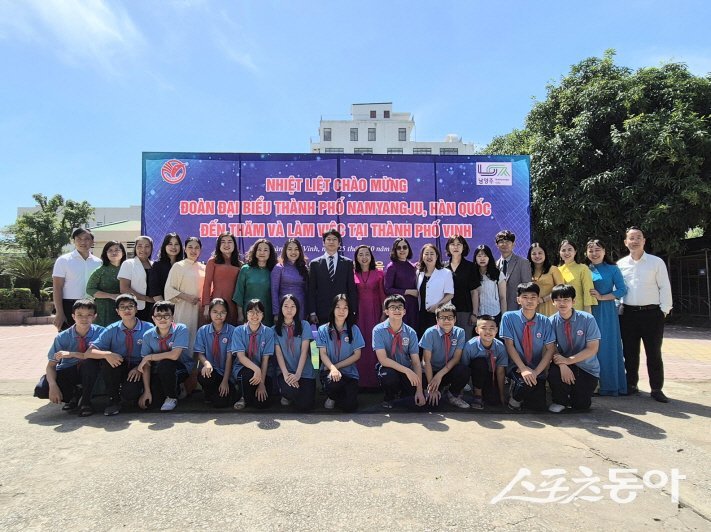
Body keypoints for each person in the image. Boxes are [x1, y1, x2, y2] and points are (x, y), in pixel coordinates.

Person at [617, 226, 673, 403]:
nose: (635, 241)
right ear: (626, 242)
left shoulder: (656, 262)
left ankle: (656, 388)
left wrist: (664, 310)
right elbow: (617, 289)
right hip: (628, 314)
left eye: (638, 237)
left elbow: (664, 286)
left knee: (654, 353)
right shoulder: (620, 264)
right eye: (631, 238)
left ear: (644, 241)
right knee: (630, 352)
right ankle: (631, 385)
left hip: (652, 314)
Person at [85, 294, 153, 416]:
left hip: (141, 367)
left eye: (130, 306)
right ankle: (113, 400)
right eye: (122, 307)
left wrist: (138, 368)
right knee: (106, 361)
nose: (127, 310)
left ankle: (137, 392)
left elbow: (153, 354)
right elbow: (89, 352)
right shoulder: (112, 329)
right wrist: (107, 354)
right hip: (119, 365)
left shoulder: (148, 328)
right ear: (117, 311)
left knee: (130, 394)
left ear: (136, 309)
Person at [33, 299, 104, 416]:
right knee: (42, 388)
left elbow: (97, 354)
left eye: (89, 315)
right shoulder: (62, 337)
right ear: (73, 316)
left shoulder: (102, 333)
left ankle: (86, 402)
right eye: (79, 315)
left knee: (89, 362)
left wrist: (71, 354)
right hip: (69, 370)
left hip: (92, 371)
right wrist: (52, 385)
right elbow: (51, 366)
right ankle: (73, 395)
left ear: (95, 316)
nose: (84, 319)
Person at [500, 282, 556, 411]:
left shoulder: (545, 321)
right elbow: (509, 345)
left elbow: (550, 349)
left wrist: (536, 372)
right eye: (525, 297)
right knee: (523, 385)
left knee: (538, 406)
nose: (529, 301)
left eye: (533, 297)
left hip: (537, 368)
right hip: (515, 365)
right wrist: (523, 368)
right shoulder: (508, 317)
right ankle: (514, 397)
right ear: (518, 300)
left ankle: (525, 393)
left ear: (538, 300)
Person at [548, 284, 601, 412]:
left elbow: (592, 349)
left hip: (586, 367)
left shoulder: (588, 319)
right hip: (563, 364)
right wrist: (562, 364)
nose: (562, 303)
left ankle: (577, 396)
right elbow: (551, 347)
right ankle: (560, 400)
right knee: (554, 371)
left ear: (573, 301)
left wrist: (568, 360)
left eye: (566, 299)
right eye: (558, 300)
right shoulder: (550, 321)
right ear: (553, 302)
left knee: (581, 406)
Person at [586, 239, 628, 396]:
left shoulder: (612, 269)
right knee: (587, 347)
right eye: (590, 250)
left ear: (604, 251)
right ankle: (590, 384)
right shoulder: (584, 268)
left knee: (605, 346)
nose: (594, 253)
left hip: (605, 312)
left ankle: (608, 385)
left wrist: (603, 297)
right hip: (587, 311)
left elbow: (622, 290)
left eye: (597, 249)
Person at [136, 300, 193, 412]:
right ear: (153, 318)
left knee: (166, 364)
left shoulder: (180, 329)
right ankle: (175, 389)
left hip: (180, 368)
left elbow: (174, 355)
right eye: (158, 316)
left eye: (166, 315)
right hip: (157, 371)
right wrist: (147, 391)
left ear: (172, 317)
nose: (162, 319)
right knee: (151, 404)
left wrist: (149, 357)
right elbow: (146, 365)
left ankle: (172, 397)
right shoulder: (148, 335)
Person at [373, 294, 425, 409]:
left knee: (412, 400)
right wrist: (407, 371)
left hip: (406, 368)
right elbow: (383, 359)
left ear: (404, 311)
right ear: (386, 311)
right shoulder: (378, 330)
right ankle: (389, 396)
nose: (396, 310)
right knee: (389, 376)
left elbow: (416, 362)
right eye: (392, 307)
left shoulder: (411, 332)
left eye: (400, 307)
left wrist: (419, 391)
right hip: (389, 368)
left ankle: (404, 393)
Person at [317, 294, 364, 412]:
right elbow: (322, 354)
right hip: (329, 372)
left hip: (349, 374)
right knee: (333, 383)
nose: (341, 311)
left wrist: (336, 367)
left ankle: (340, 396)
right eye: (338, 307)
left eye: (345, 308)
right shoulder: (323, 329)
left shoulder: (354, 329)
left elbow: (357, 355)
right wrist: (332, 369)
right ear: (333, 309)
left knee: (350, 407)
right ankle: (331, 396)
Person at [418, 303, 470, 409]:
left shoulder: (460, 332)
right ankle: (431, 389)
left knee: (463, 370)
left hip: (445, 370)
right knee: (430, 402)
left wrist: (439, 376)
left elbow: (456, 358)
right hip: (429, 371)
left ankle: (453, 395)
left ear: (455, 319)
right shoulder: (430, 332)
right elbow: (426, 361)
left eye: (450, 317)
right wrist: (431, 384)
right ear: (437, 320)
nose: (446, 321)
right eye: (442, 318)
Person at [52, 227, 102, 330]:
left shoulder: (99, 262)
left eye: (87, 238)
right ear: (73, 241)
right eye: (79, 238)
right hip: (69, 305)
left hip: (91, 305)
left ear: (92, 241)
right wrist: (59, 313)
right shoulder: (63, 260)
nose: (83, 242)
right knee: (68, 341)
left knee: (90, 340)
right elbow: (57, 288)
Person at [273, 294, 316, 412]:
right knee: (290, 391)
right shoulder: (274, 329)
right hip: (286, 371)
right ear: (281, 308)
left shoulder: (304, 325)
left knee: (305, 406)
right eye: (285, 306)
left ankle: (297, 395)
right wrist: (286, 375)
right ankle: (287, 394)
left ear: (297, 309)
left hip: (304, 372)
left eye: (293, 306)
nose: (289, 309)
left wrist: (297, 374)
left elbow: (304, 351)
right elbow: (279, 354)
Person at [231, 299, 275, 409]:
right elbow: (240, 356)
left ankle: (250, 396)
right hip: (243, 368)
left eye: (258, 312)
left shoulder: (268, 332)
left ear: (263, 314)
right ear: (246, 314)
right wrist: (256, 370)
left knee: (261, 404)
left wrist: (261, 384)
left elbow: (265, 360)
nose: (254, 315)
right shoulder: (238, 331)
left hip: (263, 371)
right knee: (248, 374)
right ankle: (242, 396)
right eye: (251, 312)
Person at [164, 236, 206, 353]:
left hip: (200, 310)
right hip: (182, 308)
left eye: (197, 248)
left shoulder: (204, 268)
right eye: (190, 247)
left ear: (200, 250)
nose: (193, 250)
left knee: (198, 338)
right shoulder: (178, 266)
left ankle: (195, 368)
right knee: (183, 335)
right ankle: (181, 367)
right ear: (185, 249)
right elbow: (168, 289)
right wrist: (187, 297)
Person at [308, 229, 358, 324]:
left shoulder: (347, 263)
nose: (331, 242)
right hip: (321, 311)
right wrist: (312, 312)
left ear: (339, 243)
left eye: (334, 239)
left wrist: (353, 310)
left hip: (342, 311)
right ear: (324, 243)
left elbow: (351, 289)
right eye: (328, 239)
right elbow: (312, 290)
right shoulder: (315, 264)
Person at [353, 245, 386, 388]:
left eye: (367, 254)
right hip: (359, 314)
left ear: (371, 257)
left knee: (374, 344)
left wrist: (384, 314)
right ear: (356, 258)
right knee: (360, 344)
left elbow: (383, 295)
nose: (364, 257)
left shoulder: (379, 274)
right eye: (361, 254)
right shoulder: (352, 273)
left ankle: (375, 381)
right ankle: (360, 381)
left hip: (375, 312)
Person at [194, 298, 236, 408]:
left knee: (220, 403)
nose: (219, 315)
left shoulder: (232, 331)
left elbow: (229, 357)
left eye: (223, 312)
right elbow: (200, 353)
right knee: (204, 376)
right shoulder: (202, 330)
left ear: (227, 313)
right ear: (209, 313)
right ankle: (209, 393)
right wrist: (207, 364)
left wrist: (225, 381)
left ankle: (218, 394)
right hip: (211, 372)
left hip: (226, 374)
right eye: (215, 312)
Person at [462, 315, 508, 409]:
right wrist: (461, 391)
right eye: (483, 328)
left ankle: (488, 392)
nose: (488, 332)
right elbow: (464, 368)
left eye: (491, 328)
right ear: (477, 330)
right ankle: (477, 394)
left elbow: (500, 371)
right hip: (476, 374)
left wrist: (502, 395)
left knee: (494, 401)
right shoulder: (470, 346)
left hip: (491, 375)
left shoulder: (500, 346)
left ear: (496, 330)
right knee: (480, 362)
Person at [233, 238, 277, 326]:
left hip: (267, 315)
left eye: (265, 250)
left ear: (270, 253)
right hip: (249, 314)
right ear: (255, 251)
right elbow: (239, 294)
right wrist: (240, 315)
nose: (262, 252)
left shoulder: (274, 270)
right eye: (259, 249)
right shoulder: (245, 269)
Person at [202, 232, 241, 325]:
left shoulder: (240, 264)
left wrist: (240, 311)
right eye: (223, 242)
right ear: (219, 245)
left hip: (233, 305)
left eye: (229, 242)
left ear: (234, 245)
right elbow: (207, 284)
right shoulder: (213, 261)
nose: (226, 245)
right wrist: (207, 306)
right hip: (216, 304)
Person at [415, 243, 454, 339]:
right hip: (422, 314)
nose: (429, 256)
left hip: (439, 314)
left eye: (432, 253)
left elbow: (450, 294)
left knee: (437, 341)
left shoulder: (445, 272)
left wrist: (437, 306)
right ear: (422, 256)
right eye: (426, 253)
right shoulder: (419, 273)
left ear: (437, 256)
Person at [444, 235, 479, 340]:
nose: (455, 247)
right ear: (448, 247)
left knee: (464, 341)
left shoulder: (470, 267)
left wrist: (475, 314)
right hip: (447, 311)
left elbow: (474, 292)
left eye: (459, 244)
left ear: (463, 247)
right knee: (449, 342)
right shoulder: (443, 267)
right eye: (452, 244)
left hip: (465, 311)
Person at [86, 240, 127, 326]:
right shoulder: (100, 271)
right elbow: (90, 289)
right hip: (104, 309)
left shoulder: (129, 269)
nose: (114, 252)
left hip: (125, 308)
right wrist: (111, 296)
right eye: (110, 250)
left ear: (123, 253)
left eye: (117, 250)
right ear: (106, 254)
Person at [383, 237, 419, 331]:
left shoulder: (412, 266)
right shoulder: (392, 267)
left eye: (404, 247)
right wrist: (408, 292)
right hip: (399, 307)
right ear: (395, 250)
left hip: (413, 307)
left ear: (408, 249)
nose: (402, 250)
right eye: (399, 248)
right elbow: (388, 289)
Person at [271, 238, 309, 321]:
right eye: (290, 249)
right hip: (284, 308)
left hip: (301, 308)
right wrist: (276, 313)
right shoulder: (279, 268)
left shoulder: (304, 268)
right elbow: (274, 291)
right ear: (285, 251)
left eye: (296, 249)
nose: (293, 252)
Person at [118, 235, 155, 321]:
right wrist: (147, 299)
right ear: (135, 248)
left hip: (153, 308)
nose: (143, 249)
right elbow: (124, 289)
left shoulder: (154, 265)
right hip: (136, 308)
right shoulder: (128, 264)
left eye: (147, 246)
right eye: (140, 246)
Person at [495, 230, 531, 312]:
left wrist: (522, 311)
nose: (504, 244)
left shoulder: (523, 262)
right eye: (501, 242)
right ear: (497, 245)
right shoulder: (495, 265)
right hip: (497, 310)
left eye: (508, 241)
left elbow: (527, 288)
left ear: (513, 244)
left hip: (517, 309)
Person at [558, 239, 597, 313]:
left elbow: (588, 291)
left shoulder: (583, 268)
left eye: (570, 249)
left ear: (575, 252)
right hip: (560, 311)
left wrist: (587, 313)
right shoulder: (557, 270)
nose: (566, 253)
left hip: (578, 310)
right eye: (563, 250)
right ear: (559, 253)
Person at [472, 244, 507, 325]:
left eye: (485, 256)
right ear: (475, 258)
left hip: (495, 313)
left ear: (489, 257)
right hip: (478, 314)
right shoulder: (472, 274)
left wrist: (504, 316)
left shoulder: (497, 274)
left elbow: (503, 298)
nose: (482, 258)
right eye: (479, 256)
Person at [528, 243, 564, 317]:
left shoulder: (553, 269)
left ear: (545, 254)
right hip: (532, 309)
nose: (537, 256)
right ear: (530, 256)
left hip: (551, 307)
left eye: (540, 253)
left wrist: (543, 299)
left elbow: (561, 290)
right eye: (534, 254)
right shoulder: (527, 271)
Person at [147, 233, 183, 302]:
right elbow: (155, 290)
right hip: (164, 309)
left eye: (176, 244)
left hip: (182, 307)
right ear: (164, 246)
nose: (173, 247)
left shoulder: (184, 265)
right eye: (170, 244)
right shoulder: (157, 266)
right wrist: (166, 307)